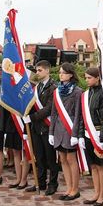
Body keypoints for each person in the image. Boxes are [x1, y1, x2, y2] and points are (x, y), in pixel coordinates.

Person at [49, 63, 84, 201]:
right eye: (60, 72)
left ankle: (75, 190)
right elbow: (53, 113)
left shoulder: (78, 92)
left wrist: (75, 134)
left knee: (71, 159)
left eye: (63, 72)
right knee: (62, 159)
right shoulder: (56, 91)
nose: (60, 75)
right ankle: (68, 188)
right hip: (58, 129)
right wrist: (51, 132)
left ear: (70, 75)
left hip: (70, 129)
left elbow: (78, 114)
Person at [25, 60, 60, 195]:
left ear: (47, 70)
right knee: (39, 157)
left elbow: (49, 108)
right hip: (36, 127)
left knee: (50, 158)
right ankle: (40, 183)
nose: (37, 73)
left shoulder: (53, 87)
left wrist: (32, 117)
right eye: (36, 70)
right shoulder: (36, 87)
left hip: (47, 126)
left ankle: (53, 183)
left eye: (40, 70)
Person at [81, 67, 103, 206]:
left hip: (98, 134)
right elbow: (83, 116)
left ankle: (102, 196)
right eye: (85, 78)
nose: (87, 80)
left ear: (97, 78)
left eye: (89, 78)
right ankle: (96, 193)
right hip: (88, 133)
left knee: (100, 165)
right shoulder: (87, 94)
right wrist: (81, 135)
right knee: (93, 165)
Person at [0, 104, 30, 189]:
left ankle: (24, 179)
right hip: (12, 122)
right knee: (15, 151)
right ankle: (18, 178)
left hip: (23, 123)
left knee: (24, 152)